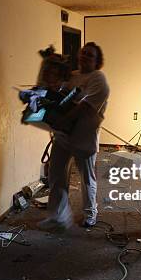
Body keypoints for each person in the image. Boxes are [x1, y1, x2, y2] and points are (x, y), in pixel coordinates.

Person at [38, 42, 110, 231]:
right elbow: (59, 95)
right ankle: (57, 216)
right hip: (64, 136)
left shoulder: (98, 79)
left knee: (87, 179)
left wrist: (63, 119)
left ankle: (90, 214)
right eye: (83, 53)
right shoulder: (73, 76)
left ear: (97, 61)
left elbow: (84, 106)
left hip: (84, 138)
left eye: (90, 55)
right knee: (56, 176)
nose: (85, 57)